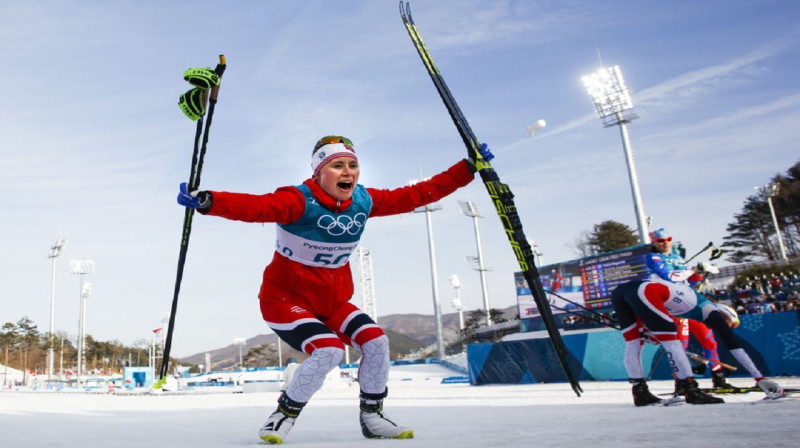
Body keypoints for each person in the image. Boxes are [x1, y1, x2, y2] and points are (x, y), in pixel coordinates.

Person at [177, 135, 488, 444]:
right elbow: (256, 207)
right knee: (329, 350)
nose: (347, 172)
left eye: (353, 165)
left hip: (332, 302)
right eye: (337, 165)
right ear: (318, 172)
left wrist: (467, 168)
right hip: (284, 301)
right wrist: (210, 201)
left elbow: (416, 195)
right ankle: (283, 415)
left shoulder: (364, 201)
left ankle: (373, 416)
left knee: (376, 341)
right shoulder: (297, 201)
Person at [611, 277, 786, 407]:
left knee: (634, 343)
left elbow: (650, 311)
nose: (724, 327)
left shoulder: (694, 306)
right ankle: (691, 390)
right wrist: (759, 377)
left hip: (622, 291)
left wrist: (647, 333)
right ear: (724, 314)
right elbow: (733, 345)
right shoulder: (710, 310)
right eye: (728, 324)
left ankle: (639, 392)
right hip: (644, 290)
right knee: (673, 343)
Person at [644, 228, 733, 389]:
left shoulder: (677, 258)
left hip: (689, 303)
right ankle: (682, 381)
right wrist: (693, 270)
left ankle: (719, 378)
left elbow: (688, 282)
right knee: (681, 345)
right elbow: (669, 278)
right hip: (673, 305)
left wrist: (699, 274)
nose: (665, 243)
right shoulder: (652, 257)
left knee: (708, 339)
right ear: (654, 242)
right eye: (660, 240)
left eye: (668, 239)